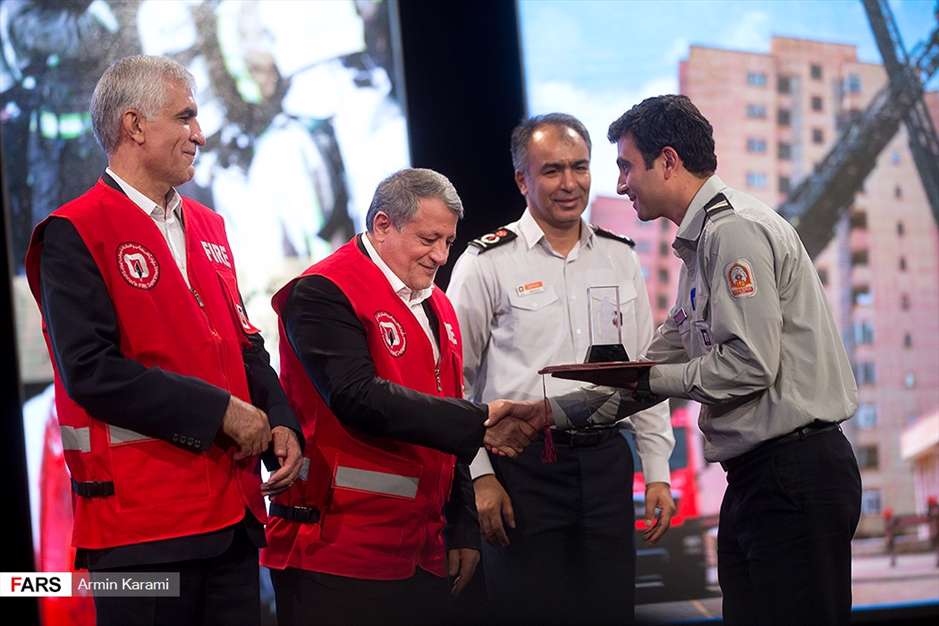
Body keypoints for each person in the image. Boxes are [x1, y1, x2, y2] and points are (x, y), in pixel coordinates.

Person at [494, 95, 862, 626]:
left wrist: (658, 380)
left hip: (794, 475)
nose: (619, 183)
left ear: (667, 161)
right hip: (762, 479)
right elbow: (646, 370)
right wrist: (548, 414)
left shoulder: (733, 232)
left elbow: (748, 366)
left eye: (626, 166)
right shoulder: (700, 247)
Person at [24, 55, 303, 626]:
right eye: (186, 118)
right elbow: (93, 371)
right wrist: (222, 412)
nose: (200, 134)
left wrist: (281, 418)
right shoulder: (73, 232)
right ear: (134, 125)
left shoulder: (209, 225)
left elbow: (244, 343)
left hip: (230, 519)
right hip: (138, 531)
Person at [260, 168, 540, 626]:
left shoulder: (438, 305)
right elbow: (357, 397)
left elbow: (446, 408)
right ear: (383, 225)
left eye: (448, 241)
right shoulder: (320, 291)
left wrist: (462, 528)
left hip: (419, 551)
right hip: (335, 553)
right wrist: (482, 419)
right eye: (429, 239)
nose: (441, 255)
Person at [446, 113, 675, 625]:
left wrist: (657, 472)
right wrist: (479, 478)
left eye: (580, 167)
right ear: (522, 180)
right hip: (520, 470)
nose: (570, 184)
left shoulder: (619, 258)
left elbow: (643, 373)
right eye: (551, 171)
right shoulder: (485, 263)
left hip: (605, 465)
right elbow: (452, 383)